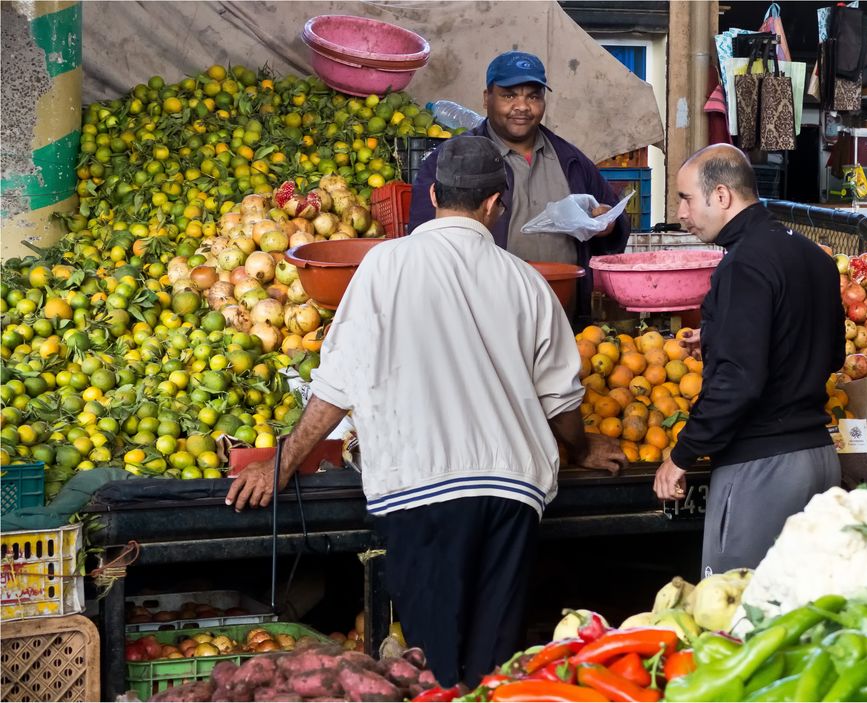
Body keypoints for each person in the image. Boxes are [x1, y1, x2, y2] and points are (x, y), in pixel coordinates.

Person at [227, 136, 626, 688]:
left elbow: (337, 385)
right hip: (510, 494)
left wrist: (282, 462)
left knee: (433, 669)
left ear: (434, 194)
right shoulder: (528, 283)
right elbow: (560, 399)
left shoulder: (382, 267)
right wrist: (583, 449)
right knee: (494, 667)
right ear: (495, 203)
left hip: (422, 492)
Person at [652, 144, 844, 576]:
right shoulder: (815, 257)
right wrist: (722, 338)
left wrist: (681, 456)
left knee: (740, 615)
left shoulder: (743, 264)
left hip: (762, 470)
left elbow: (739, 382)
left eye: (685, 198)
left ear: (721, 196)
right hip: (818, 460)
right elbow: (829, 355)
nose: (681, 213)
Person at [409, 50, 631, 321]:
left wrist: (606, 225)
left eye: (533, 96)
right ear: (486, 98)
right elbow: (424, 239)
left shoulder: (570, 159)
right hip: (484, 318)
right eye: (509, 95)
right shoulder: (452, 159)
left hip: (562, 317)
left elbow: (614, 224)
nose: (523, 106)